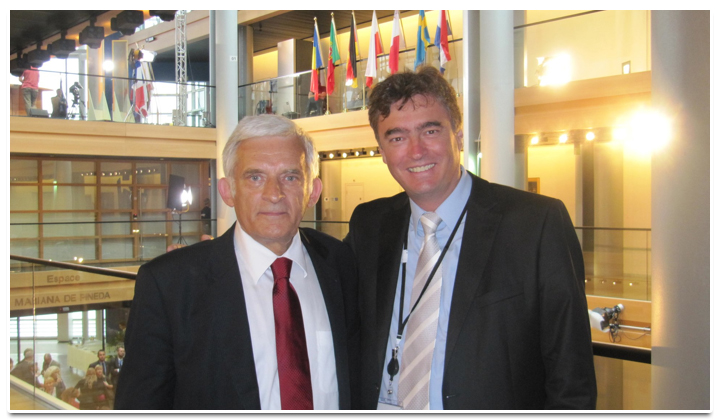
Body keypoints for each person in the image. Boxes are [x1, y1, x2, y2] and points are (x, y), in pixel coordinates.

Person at [344, 66, 596, 410]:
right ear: (383, 150)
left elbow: (571, 375)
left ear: (458, 137)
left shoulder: (535, 224)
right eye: (397, 137)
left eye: (430, 130)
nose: (416, 151)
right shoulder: (369, 225)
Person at [115, 114, 358, 410]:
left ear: (313, 191)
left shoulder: (341, 264)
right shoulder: (170, 286)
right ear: (227, 191)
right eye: (255, 177)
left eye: (290, 177)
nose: (274, 194)